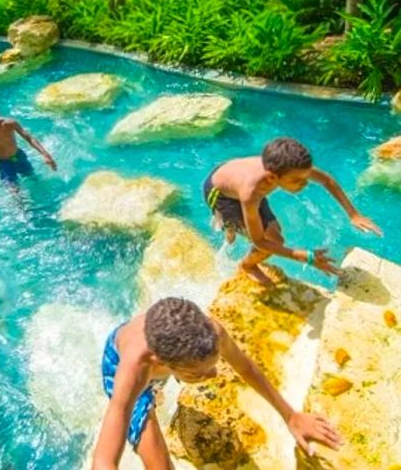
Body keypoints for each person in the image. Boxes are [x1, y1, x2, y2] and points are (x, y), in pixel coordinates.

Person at [93, 297, 342, 470]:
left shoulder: (211, 332)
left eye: (212, 366)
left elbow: (245, 367)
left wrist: (290, 416)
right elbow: (106, 452)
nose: (212, 376)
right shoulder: (134, 368)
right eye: (199, 374)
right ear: (163, 363)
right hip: (119, 361)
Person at [203, 137, 381, 285]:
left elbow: (327, 180)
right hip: (221, 195)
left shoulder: (292, 167)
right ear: (273, 176)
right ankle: (246, 264)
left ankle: (230, 227)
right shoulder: (251, 193)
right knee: (271, 241)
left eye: (306, 177)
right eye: (297, 180)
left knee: (275, 236)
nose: (304, 183)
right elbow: (259, 242)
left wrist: (353, 214)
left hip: (234, 175)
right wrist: (304, 256)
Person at [0, 102, 57, 187]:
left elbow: (29, 138)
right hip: (4, 163)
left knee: (33, 179)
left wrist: (45, 154)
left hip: (19, 157)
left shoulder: (9, 123)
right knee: (13, 189)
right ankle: (19, 200)